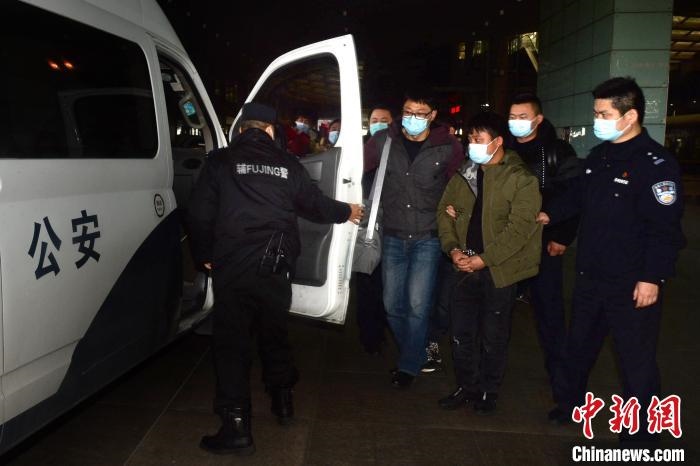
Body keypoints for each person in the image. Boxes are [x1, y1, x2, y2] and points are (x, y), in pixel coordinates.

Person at [187, 102, 363, 455]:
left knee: (232, 343)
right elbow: (315, 205)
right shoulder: (288, 163)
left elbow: (199, 213)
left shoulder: (220, 162)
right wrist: (348, 211)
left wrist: (205, 255)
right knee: (274, 333)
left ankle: (236, 428)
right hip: (277, 263)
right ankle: (283, 402)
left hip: (233, 264)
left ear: (241, 129)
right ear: (270, 130)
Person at [539, 77, 684, 442]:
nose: (597, 120)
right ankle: (569, 405)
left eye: (604, 114)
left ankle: (642, 436)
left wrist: (652, 277)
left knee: (635, 361)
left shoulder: (656, 164)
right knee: (578, 348)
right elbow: (576, 198)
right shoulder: (600, 157)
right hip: (590, 276)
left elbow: (665, 229)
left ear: (630, 116)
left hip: (631, 283)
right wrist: (546, 214)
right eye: (596, 112)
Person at [436, 112, 542, 414]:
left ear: (497, 142)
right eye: (470, 138)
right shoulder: (465, 174)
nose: (473, 144)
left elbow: (519, 229)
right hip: (463, 266)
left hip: (499, 270)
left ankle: (488, 390)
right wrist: (453, 249)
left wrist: (484, 259)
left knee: (493, 335)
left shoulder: (520, 179)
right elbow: (444, 210)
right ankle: (466, 386)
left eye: (479, 139)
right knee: (461, 333)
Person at [364, 92, 463, 388]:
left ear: (432, 115)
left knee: (418, 305)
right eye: (408, 111)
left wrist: (456, 208)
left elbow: (461, 183)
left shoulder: (448, 146)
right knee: (392, 305)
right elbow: (356, 171)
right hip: (392, 234)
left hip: (428, 237)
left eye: (420, 113)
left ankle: (408, 366)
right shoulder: (383, 141)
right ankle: (419, 352)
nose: (413, 118)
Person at [507, 93, 581, 404]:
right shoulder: (501, 147)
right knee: (496, 309)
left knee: (549, 313)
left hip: (543, 243)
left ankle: (561, 382)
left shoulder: (557, 151)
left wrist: (561, 235)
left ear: (538, 119)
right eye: (512, 116)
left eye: (523, 117)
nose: (516, 122)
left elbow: (573, 195)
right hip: (505, 245)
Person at [356, 106, 394, 355]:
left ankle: (384, 327)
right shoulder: (360, 151)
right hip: (366, 226)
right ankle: (370, 335)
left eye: (384, 120)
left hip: (392, 226)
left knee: (387, 284)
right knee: (367, 280)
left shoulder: (397, 150)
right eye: (374, 120)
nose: (378, 124)